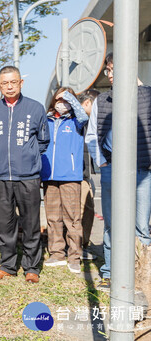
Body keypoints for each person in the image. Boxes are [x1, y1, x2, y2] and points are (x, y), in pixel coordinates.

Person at [85, 52, 151, 292]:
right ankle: (110, 273)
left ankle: (140, 274)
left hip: (142, 171)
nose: (110, 75)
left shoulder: (147, 96)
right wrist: (102, 162)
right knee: (112, 225)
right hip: (111, 169)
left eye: (113, 70)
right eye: (108, 71)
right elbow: (92, 135)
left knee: (141, 226)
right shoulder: (103, 101)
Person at [0, 66, 49, 284]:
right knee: (5, 224)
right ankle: (8, 265)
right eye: (4, 83)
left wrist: (28, 158)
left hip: (28, 177)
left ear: (21, 83)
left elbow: (43, 141)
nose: (9, 87)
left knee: (30, 223)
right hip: (1, 176)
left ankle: (31, 266)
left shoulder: (35, 108)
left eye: (13, 82)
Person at [41, 87, 88, 274]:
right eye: (59, 98)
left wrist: (69, 97)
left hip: (70, 176)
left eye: (66, 99)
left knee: (73, 218)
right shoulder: (47, 120)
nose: (61, 102)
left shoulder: (76, 120)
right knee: (53, 217)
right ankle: (56, 253)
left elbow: (84, 116)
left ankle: (74, 256)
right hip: (49, 175)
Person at [78, 89, 100, 261]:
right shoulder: (79, 121)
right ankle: (78, 247)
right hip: (78, 174)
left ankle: (82, 245)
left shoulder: (88, 123)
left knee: (88, 211)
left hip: (86, 175)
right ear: (86, 103)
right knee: (81, 212)